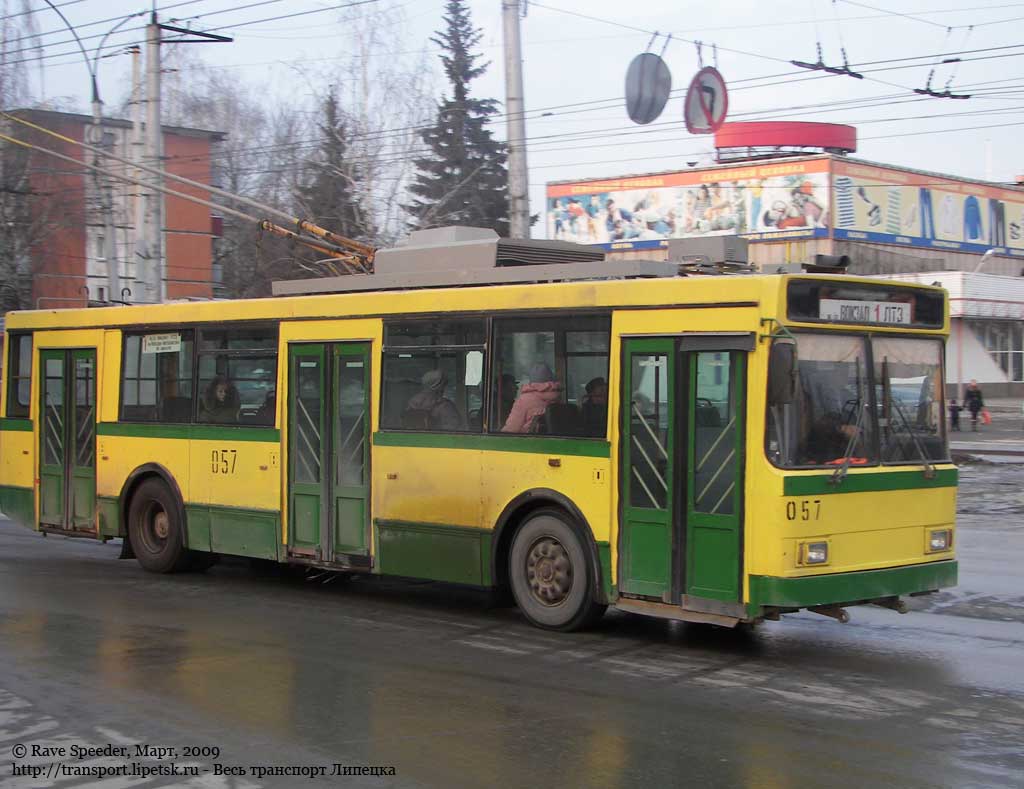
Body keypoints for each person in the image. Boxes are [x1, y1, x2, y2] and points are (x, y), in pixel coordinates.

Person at [501, 363, 563, 434]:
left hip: (529, 442)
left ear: (531, 379)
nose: (516, 387)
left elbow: (511, 429)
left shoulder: (523, 400)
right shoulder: (558, 397)